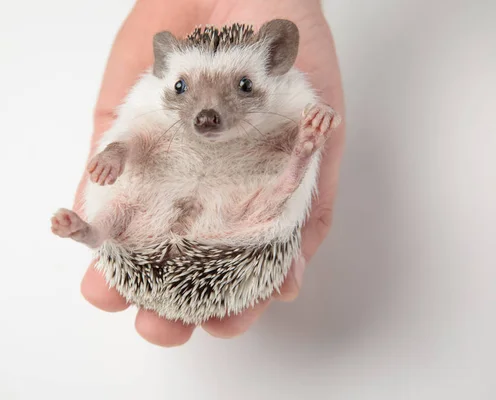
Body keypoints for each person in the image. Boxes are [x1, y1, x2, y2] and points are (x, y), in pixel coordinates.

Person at [73, 0, 345, 347]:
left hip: (235, 225)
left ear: (278, 59)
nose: (207, 112)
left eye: (243, 86)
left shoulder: (293, 99)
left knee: (278, 195)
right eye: (183, 88)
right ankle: (94, 232)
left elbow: (300, 112)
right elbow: (131, 133)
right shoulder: (148, 102)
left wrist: (313, 123)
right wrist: (116, 151)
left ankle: (94, 231)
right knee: (122, 195)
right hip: (169, 217)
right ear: (164, 72)